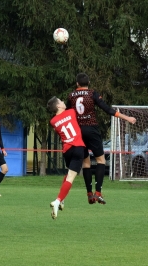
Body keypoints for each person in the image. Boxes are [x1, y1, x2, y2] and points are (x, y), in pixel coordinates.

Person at [67, 73, 136, 204]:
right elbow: (108, 110)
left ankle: (89, 194)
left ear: (77, 84)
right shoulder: (92, 93)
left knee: (86, 163)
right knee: (101, 160)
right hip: (91, 129)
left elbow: (67, 113)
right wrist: (127, 118)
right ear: (88, 83)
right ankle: (98, 193)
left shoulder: (71, 96)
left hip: (78, 131)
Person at [47, 97, 86, 219]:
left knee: (68, 174)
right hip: (78, 147)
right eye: (61, 101)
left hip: (67, 150)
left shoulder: (53, 121)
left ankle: (62, 200)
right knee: (70, 178)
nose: (64, 102)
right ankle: (58, 201)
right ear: (58, 106)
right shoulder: (71, 112)